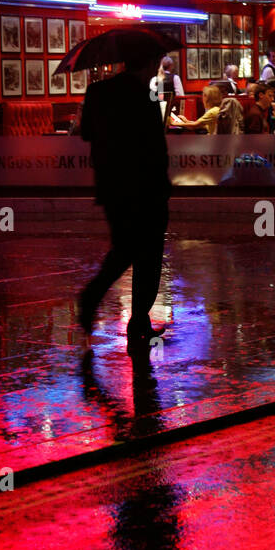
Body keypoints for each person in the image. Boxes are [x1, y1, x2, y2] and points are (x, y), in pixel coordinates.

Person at [78, 45, 170, 354]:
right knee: (148, 253)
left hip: (111, 185)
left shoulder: (97, 91)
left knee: (126, 246)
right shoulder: (146, 94)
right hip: (145, 185)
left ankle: (136, 320)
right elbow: (155, 145)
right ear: (150, 64)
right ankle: (108, 304)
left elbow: (86, 133)